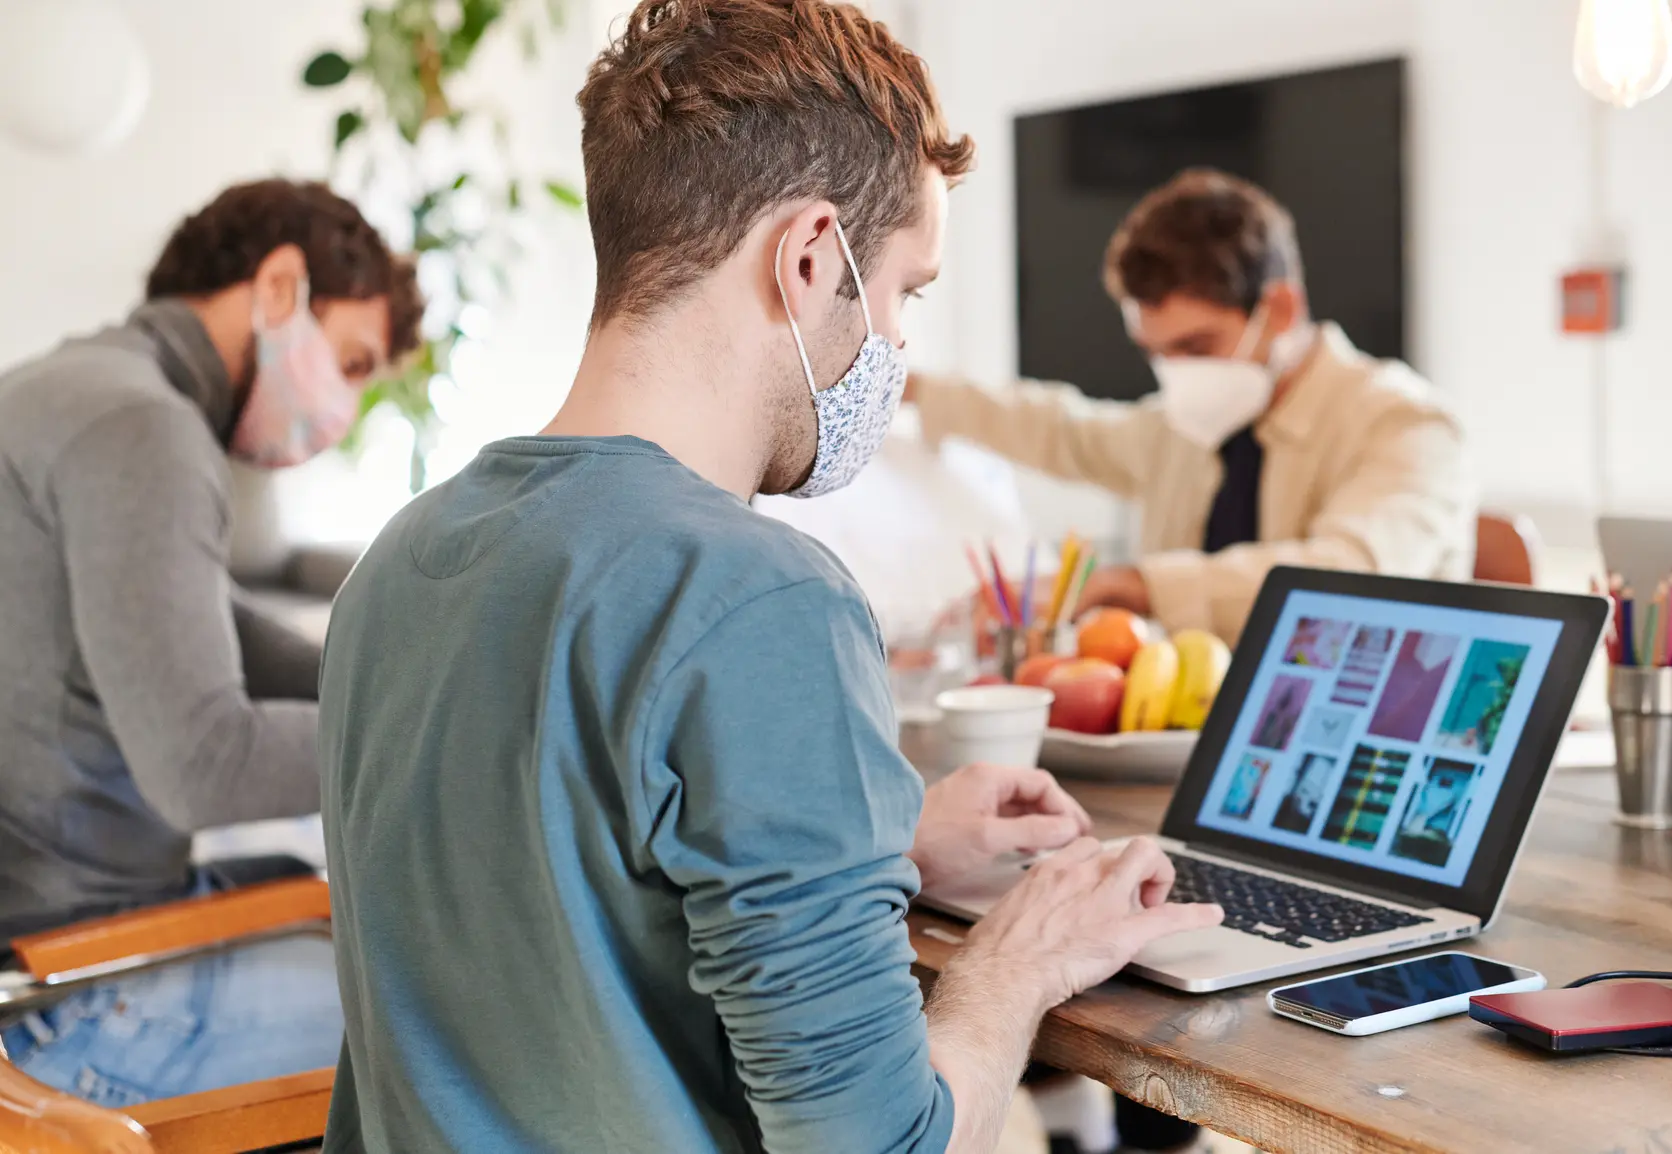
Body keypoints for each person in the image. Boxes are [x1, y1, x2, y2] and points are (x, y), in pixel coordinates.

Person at [317, 3, 1223, 1152]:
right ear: (807, 259)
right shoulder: (763, 598)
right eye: (906, 293)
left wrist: (874, 844)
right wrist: (1018, 958)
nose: (898, 348)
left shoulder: (400, 558)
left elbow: (560, 900)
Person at [0, 179, 422, 1103]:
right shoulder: (140, 428)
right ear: (278, 288)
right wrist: (436, 739)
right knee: (459, 1010)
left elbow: (207, 623)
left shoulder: (57, 389)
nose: (342, 411)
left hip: (48, 941)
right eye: (351, 363)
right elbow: (204, 763)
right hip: (59, 998)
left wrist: (399, 678)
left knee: (308, 887)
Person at [908, 168, 1475, 645]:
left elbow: (1350, 579)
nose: (1178, 375)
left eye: (1195, 347)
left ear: (1279, 308)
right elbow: (1064, 431)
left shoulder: (1406, 425)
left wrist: (1134, 585)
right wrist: (914, 391)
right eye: (1157, 354)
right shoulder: (1183, 429)